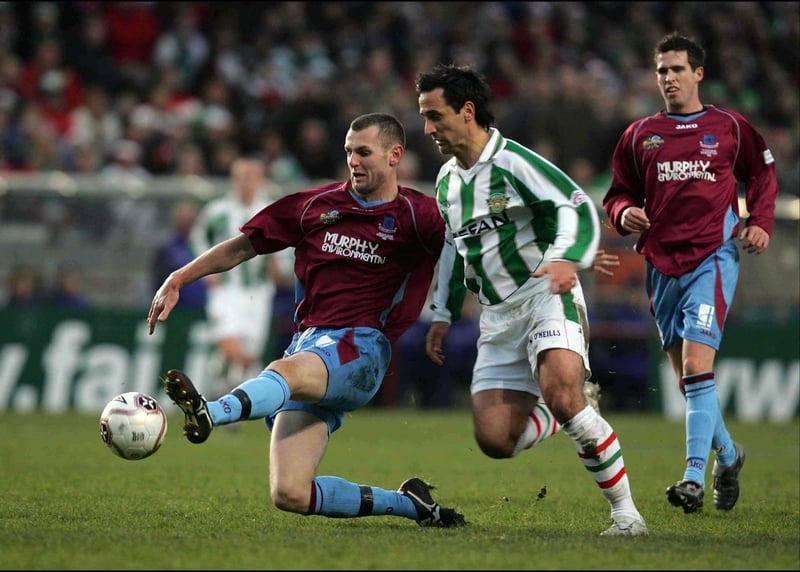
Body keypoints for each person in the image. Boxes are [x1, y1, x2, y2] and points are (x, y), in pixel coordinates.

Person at [147, 112, 465, 528]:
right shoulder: (317, 206)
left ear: (395, 156)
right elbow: (245, 246)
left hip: (362, 348)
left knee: (283, 371)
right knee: (291, 492)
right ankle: (412, 505)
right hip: (309, 345)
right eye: (349, 151)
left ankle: (210, 412)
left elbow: (468, 244)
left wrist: (449, 310)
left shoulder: (417, 214)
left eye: (364, 152)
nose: (354, 160)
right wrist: (180, 277)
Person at [416, 63, 647, 537]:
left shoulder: (513, 163)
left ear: (467, 111)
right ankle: (557, 415)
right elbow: (453, 249)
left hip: (545, 295)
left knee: (565, 394)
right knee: (495, 440)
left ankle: (626, 515)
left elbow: (575, 203)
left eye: (435, 116)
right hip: (497, 318)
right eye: (424, 117)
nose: (428, 129)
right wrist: (440, 313)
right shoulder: (445, 182)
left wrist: (567, 259)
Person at [602, 31, 778, 514]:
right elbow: (616, 193)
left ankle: (693, 478)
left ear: (698, 73)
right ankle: (730, 454)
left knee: (699, 368)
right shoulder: (640, 135)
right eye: (662, 70)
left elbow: (762, 171)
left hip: (711, 258)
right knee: (688, 381)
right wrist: (622, 215)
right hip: (660, 264)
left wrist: (760, 221)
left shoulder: (728, 127)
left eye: (677, 69)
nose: (669, 78)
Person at [190, 158, 281, 396]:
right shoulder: (218, 211)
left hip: (259, 291)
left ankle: (222, 381)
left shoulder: (270, 211)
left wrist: (278, 264)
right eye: (241, 177)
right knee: (231, 347)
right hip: (226, 290)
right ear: (233, 179)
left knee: (249, 357)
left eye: (251, 177)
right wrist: (206, 271)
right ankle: (232, 395)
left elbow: (286, 245)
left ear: (261, 180)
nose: (246, 183)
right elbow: (198, 237)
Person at [151, 200, 207, 309]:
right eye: (183, 219)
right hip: (177, 309)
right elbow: (159, 279)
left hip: (205, 307)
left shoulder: (206, 246)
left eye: (189, 219)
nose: (186, 222)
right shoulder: (169, 250)